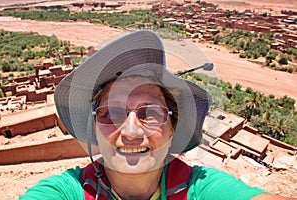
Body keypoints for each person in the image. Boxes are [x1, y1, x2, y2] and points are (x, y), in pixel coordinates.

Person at [20, 30, 296, 200]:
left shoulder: (200, 188)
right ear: (94, 126)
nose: (130, 132)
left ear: (173, 127)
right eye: (111, 113)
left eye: (149, 113)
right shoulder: (69, 190)